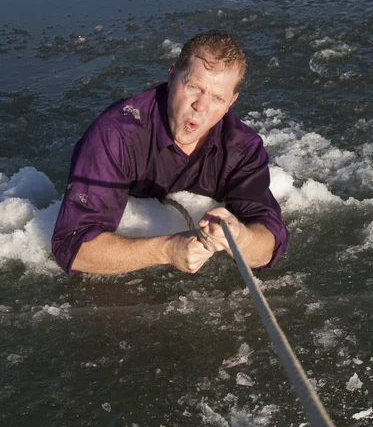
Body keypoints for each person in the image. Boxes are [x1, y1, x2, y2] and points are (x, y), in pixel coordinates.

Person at [52, 30, 288, 275]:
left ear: (231, 102)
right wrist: (166, 249)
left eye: (218, 98)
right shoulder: (116, 134)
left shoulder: (242, 148)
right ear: (172, 75)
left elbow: (268, 243)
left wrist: (240, 238)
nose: (201, 106)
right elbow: (73, 247)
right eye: (194, 87)